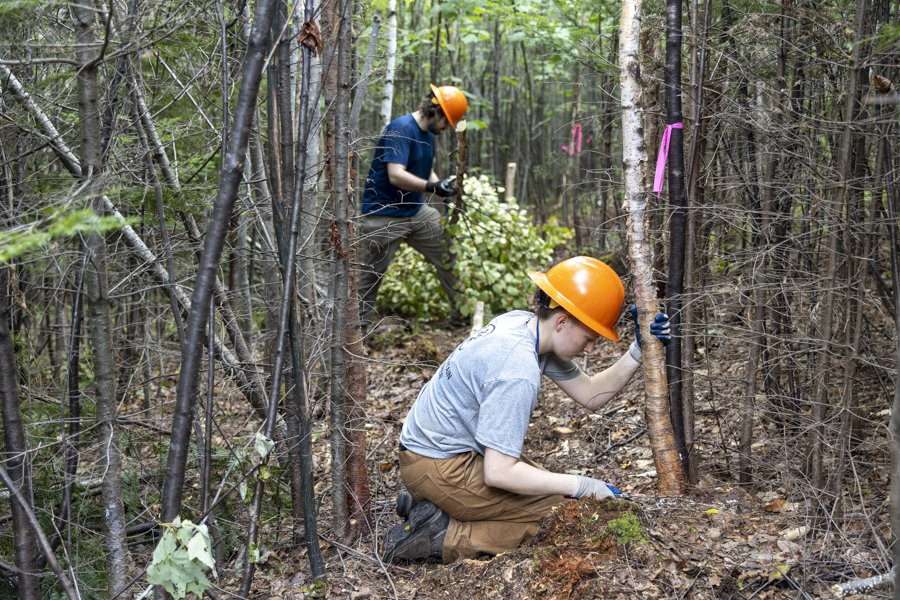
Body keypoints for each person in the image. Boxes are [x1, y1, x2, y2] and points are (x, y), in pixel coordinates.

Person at [381, 256, 671, 563]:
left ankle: (431, 507)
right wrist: (583, 485)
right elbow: (499, 472)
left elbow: (591, 394)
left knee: (555, 494)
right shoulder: (517, 369)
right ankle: (439, 534)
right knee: (560, 514)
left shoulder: (521, 324)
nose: (589, 349)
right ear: (562, 321)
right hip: (439, 466)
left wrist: (637, 351)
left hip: (434, 454)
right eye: (589, 338)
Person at [358, 84, 469, 328]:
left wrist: (440, 184)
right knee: (370, 276)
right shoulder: (401, 129)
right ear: (435, 111)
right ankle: (357, 329)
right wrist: (432, 188)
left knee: (447, 254)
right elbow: (395, 175)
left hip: (416, 211)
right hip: (383, 214)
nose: (446, 128)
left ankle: (463, 315)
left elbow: (424, 167)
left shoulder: (428, 134)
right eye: (446, 122)